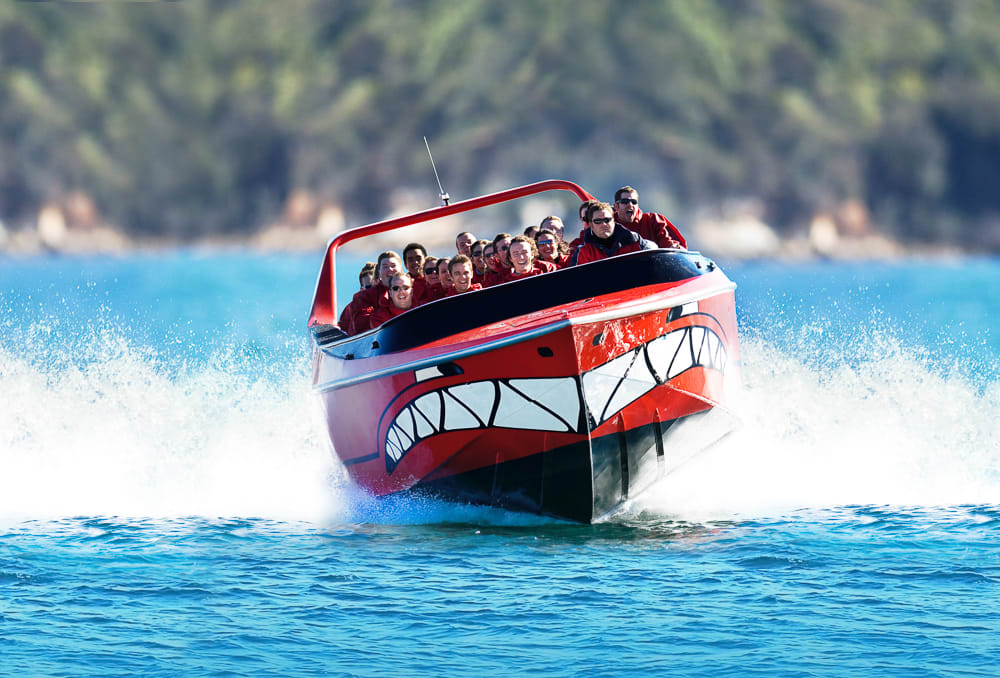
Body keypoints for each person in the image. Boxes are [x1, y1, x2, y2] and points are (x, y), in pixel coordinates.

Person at [572, 202, 656, 265]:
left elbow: (654, 258)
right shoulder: (584, 251)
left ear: (613, 221)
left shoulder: (634, 240)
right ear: (591, 224)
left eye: (607, 220)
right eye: (598, 221)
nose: (603, 224)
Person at [613, 185, 687, 249]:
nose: (630, 205)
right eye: (625, 201)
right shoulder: (607, 224)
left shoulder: (653, 220)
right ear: (616, 206)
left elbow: (668, 245)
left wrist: (673, 247)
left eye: (634, 202)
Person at [349, 251, 403, 334]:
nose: (390, 269)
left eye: (393, 266)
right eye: (385, 267)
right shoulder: (364, 296)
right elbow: (361, 325)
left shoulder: (413, 289)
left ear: (401, 270)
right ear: (379, 272)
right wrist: (387, 308)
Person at [337, 261, 376, 334]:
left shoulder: (392, 300)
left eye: (376, 286)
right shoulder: (351, 308)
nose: (374, 290)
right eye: (369, 287)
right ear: (362, 289)